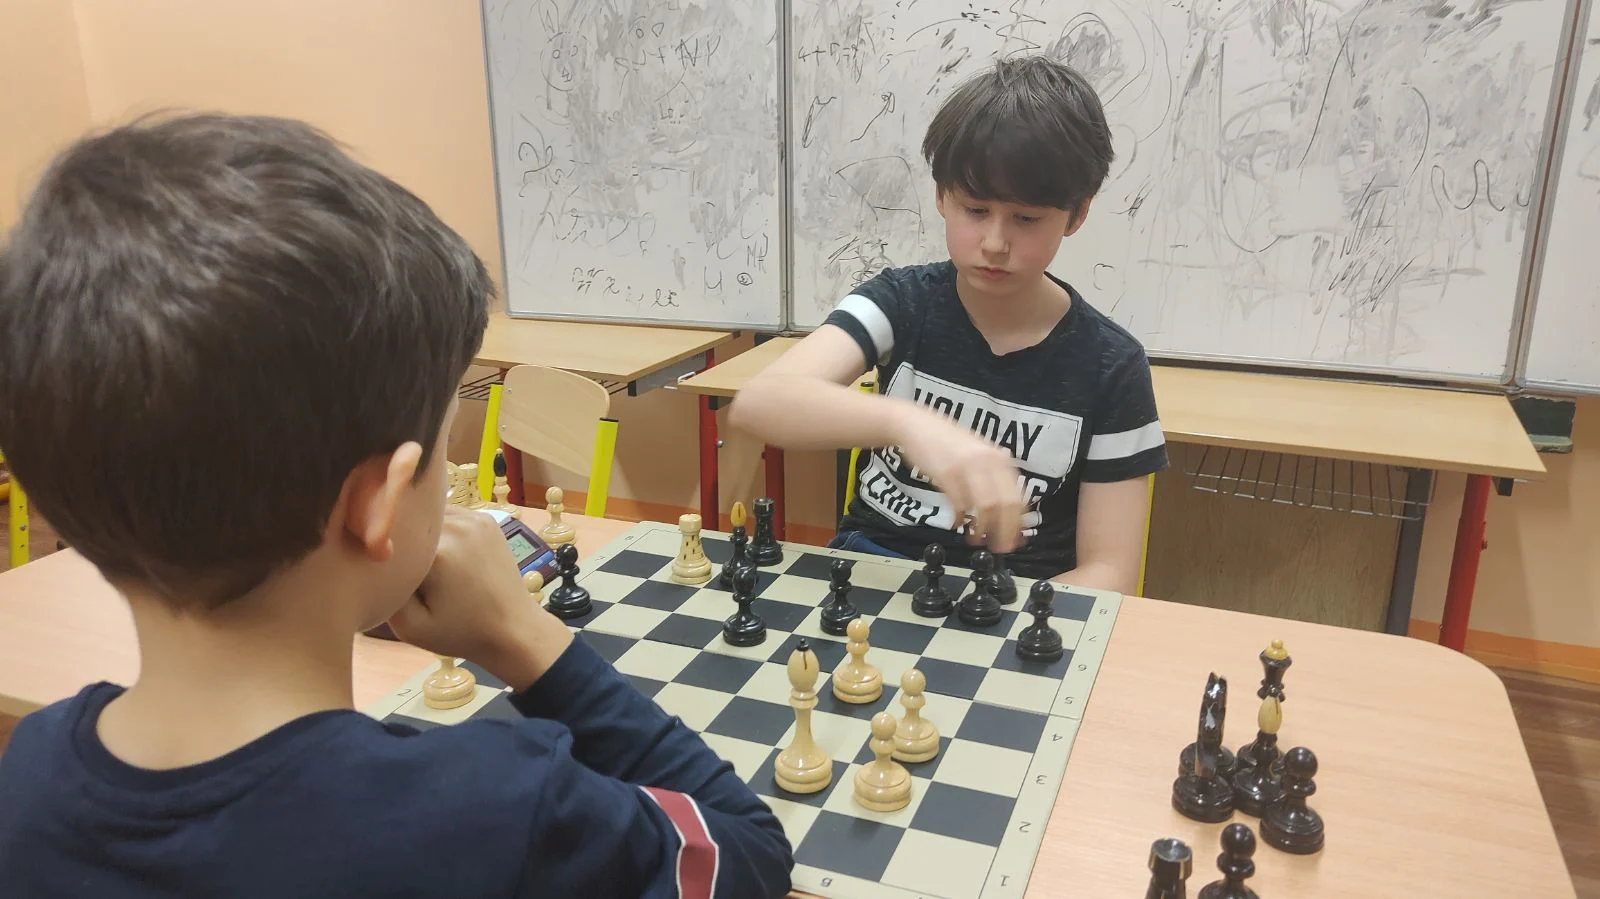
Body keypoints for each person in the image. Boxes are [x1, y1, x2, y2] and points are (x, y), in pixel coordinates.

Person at [0, 113, 792, 898]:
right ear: (377, 503)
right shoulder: (500, 808)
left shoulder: (29, 770)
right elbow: (748, 853)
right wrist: (524, 636)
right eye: (445, 448)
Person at [732, 56, 1167, 592]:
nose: (995, 243)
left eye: (1026, 219)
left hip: (1018, 595)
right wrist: (907, 423)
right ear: (941, 195)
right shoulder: (900, 302)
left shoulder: (1111, 364)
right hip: (874, 570)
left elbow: (1110, 571)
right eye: (975, 210)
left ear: (1076, 214)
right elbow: (760, 402)